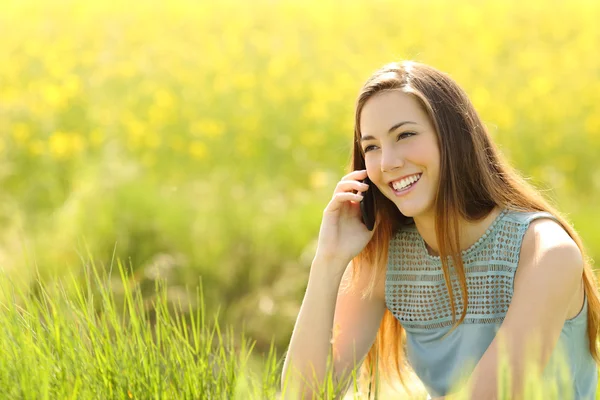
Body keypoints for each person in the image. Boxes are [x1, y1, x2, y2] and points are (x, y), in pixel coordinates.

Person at [281, 60, 600, 399]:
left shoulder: (545, 253)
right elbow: (301, 396)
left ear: (454, 137)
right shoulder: (389, 256)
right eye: (371, 146)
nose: (387, 162)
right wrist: (328, 260)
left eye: (405, 135)